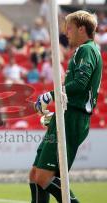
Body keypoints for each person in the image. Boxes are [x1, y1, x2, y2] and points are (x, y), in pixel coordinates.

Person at [30, 10, 102, 202]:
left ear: (81, 28)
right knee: (35, 175)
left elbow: (80, 84)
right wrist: (56, 113)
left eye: (69, 28)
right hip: (67, 115)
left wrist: (51, 95)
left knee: (44, 177)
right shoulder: (86, 50)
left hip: (73, 118)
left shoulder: (87, 49)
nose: (65, 33)